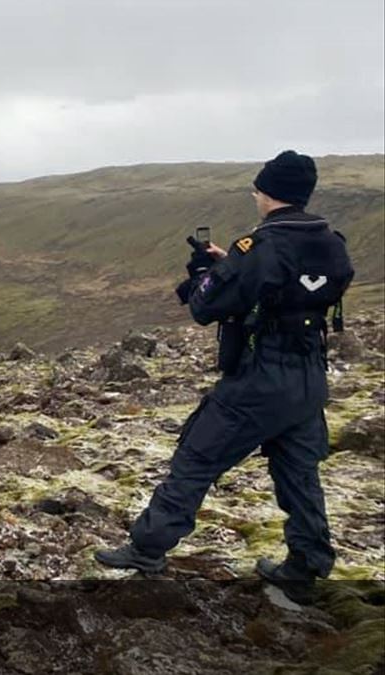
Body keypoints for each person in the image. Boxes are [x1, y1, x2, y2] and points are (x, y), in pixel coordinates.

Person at [95, 151, 355, 602]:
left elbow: (204, 307)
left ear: (267, 193)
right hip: (310, 377)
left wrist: (210, 272)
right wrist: (233, 267)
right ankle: (305, 566)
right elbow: (296, 289)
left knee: (197, 457)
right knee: (299, 473)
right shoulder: (331, 241)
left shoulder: (258, 247)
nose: (254, 196)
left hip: (260, 380)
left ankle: (147, 548)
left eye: (256, 189)